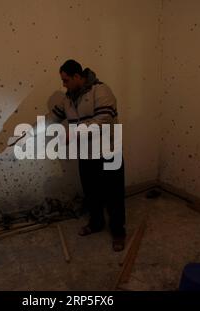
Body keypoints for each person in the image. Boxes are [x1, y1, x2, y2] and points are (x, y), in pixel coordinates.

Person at [53, 59, 126, 252]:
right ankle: (96, 223)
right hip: (86, 152)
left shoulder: (100, 90)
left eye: (66, 80)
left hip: (109, 150)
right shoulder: (69, 98)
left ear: (78, 76)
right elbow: (55, 117)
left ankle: (118, 232)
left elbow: (103, 119)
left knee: (114, 194)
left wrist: (73, 133)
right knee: (92, 192)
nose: (63, 84)